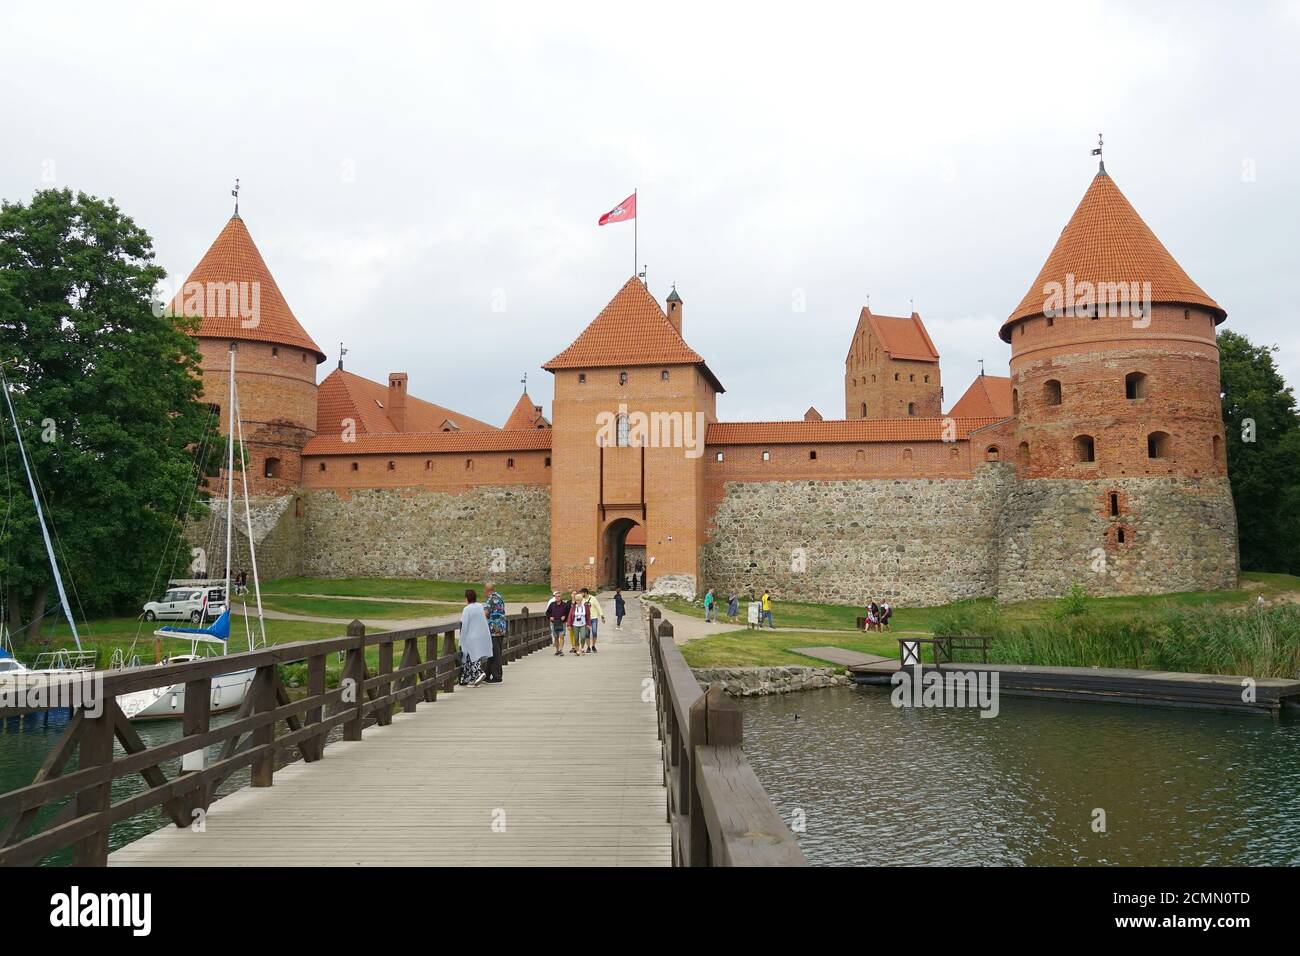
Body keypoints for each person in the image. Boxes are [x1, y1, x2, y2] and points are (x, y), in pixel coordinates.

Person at [458, 589, 492, 686]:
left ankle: (479, 673)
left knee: (471, 657)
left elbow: (464, 623)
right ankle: (471, 679)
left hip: (471, 636)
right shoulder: (480, 606)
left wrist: (462, 639)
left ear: (466, 598)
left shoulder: (467, 609)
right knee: (476, 657)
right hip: (480, 635)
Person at [482, 582, 507, 683]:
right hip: (501, 629)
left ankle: (497, 676)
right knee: (492, 652)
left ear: (487, 590)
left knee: (495, 654)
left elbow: (485, 613)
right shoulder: (499, 598)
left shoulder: (490, 600)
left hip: (494, 630)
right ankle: (486, 675)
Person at [568, 589, 592, 655]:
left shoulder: (585, 607)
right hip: (575, 625)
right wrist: (569, 625)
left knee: (583, 636)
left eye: (579, 600)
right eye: (576, 600)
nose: (578, 601)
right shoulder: (573, 607)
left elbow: (588, 616)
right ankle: (577, 650)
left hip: (583, 624)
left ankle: (582, 648)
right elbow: (570, 616)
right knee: (576, 638)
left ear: (581, 600)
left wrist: (589, 624)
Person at [546, 590, 570, 656]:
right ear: (555, 597)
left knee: (561, 636)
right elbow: (547, 613)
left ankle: (560, 650)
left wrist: (565, 616)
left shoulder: (565, 605)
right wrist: (550, 617)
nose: (557, 598)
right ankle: (557, 650)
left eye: (559, 596)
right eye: (556, 596)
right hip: (554, 622)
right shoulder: (552, 604)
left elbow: (568, 613)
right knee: (556, 637)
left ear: (561, 597)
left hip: (562, 623)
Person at [586, 588, 606, 653]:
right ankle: (588, 647)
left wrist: (602, 616)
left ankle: (593, 645)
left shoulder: (593, 598)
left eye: (582, 593)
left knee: (594, 632)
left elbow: (598, 607)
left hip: (594, 617)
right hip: (586, 619)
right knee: (587, 633)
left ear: (585, 593)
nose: (581, 594)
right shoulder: (582, 599)